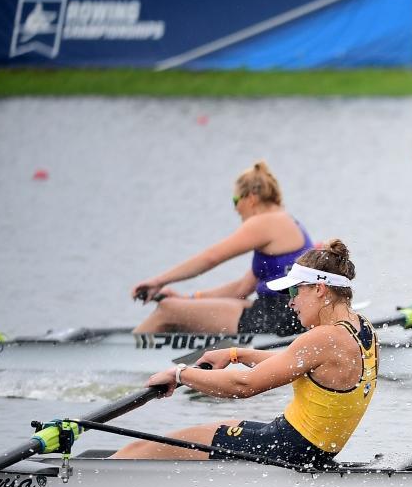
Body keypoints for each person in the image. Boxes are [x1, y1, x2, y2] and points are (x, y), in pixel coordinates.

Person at [113, 241, 377, 466]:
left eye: (295, 291)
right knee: (212, 428)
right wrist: (235, 354)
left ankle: (96, 475)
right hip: (306, 448)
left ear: (320, 289)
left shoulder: (323, 338)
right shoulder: (360, 327)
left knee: (142, 450)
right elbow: (292, 363)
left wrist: (180, 374)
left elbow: (243, 385)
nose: (290, 301)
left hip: (286, 449)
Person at [130, 161, 313, 336]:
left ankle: (123, 359)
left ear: (251, 199)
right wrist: (188, 299)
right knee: (179, 310)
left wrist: (158, 281)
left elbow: (211, 257)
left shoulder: (265, 222)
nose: (235, 209)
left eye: (235, 200)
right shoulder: (284, 220)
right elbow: (241, 289)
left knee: (167, 309)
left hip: (281, 316)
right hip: (281, 311)